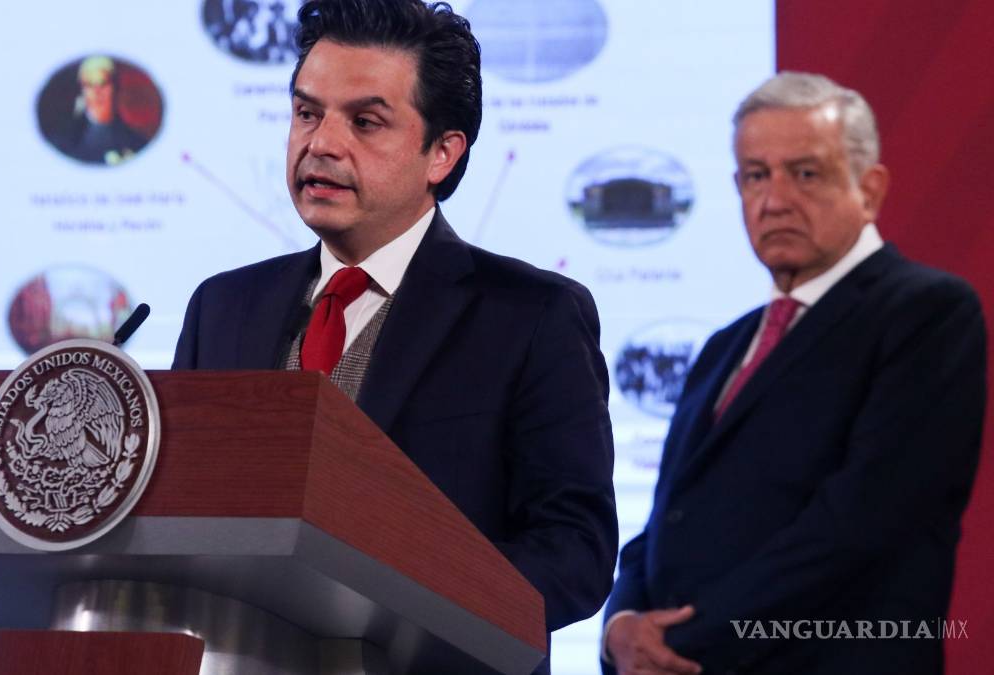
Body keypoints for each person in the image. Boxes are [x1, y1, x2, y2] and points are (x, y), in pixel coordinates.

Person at [173, 1, 617, 671]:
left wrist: (396, 596)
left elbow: (575, 553)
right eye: (307, 113)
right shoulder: (223, 307)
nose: (321, 143)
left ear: (442, 153)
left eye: (365, 121)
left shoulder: (532, 316)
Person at [602, 71, 986, 675]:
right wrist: (622, 625)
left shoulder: (927, 313)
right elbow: (670, 520)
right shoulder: (726, 346)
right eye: (756, 176)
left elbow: (859, 525)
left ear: (870, 190)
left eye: (805, 174)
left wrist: (678, 644)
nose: (774, 200)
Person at [63, 56, 148, 165]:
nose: (97, 92)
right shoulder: (64, 141)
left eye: (103, 83)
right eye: (90, 84)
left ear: (115, 88)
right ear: (82, 90)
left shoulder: (136, 143)